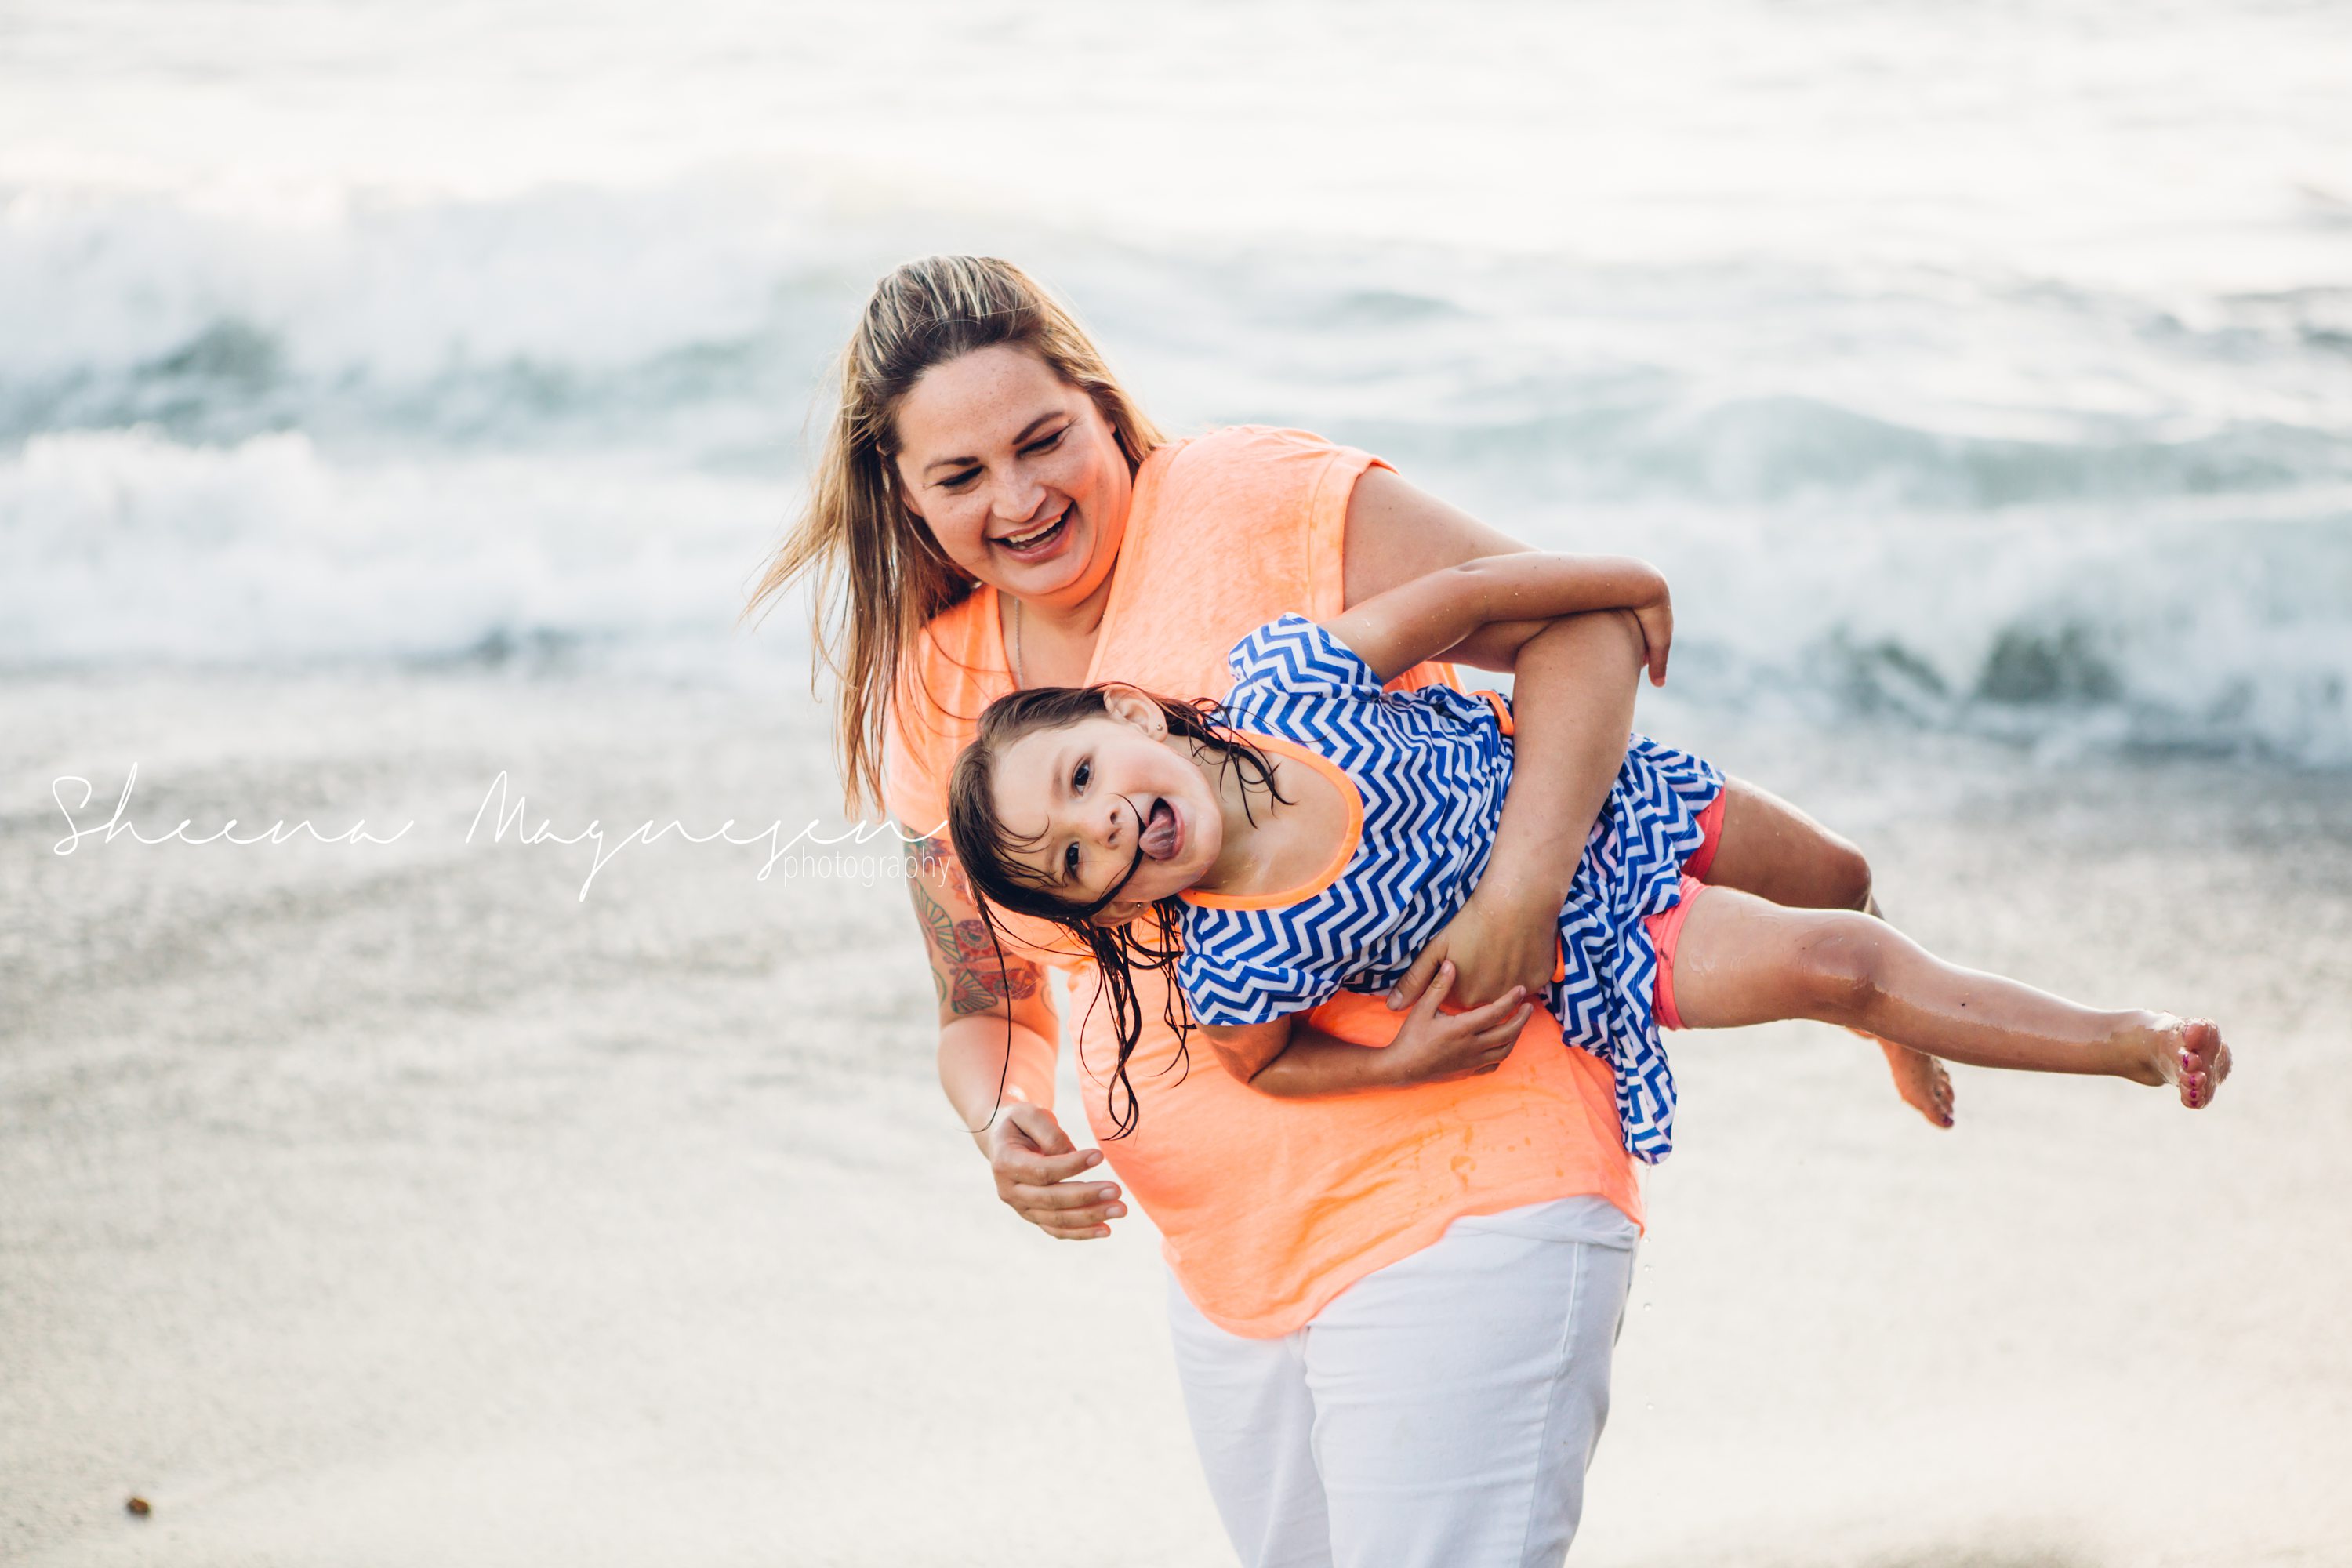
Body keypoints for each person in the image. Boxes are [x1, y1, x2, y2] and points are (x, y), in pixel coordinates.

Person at [744, 255, 1951, 1566]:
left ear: (1101, 406)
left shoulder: (1252, 499)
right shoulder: (939, 691)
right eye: (961, 477)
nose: (1022, 500)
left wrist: (1520, 895)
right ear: (904, 496)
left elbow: (1585, 626)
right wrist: (999, 1125)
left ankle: (1873, 960)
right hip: (1233, 1269)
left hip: (1470, 1171)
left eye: (1044, 441)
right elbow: (985, 994)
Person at [942, 557, 2232, 1159]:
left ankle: (1895, 1025)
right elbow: (1268, 1067)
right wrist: (1399, 1059)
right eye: (1072, 863)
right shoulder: (1235, 960)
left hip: (1610, 800)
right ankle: (2126, 1037)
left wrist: (1626, 575)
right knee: (1842, 959)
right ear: (1103, 912)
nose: (1101, 828)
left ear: (1124, 716)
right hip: (1602, 944)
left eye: (1081, 782)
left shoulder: (1290, 680)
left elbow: (1475, 595)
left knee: (1841, 878)